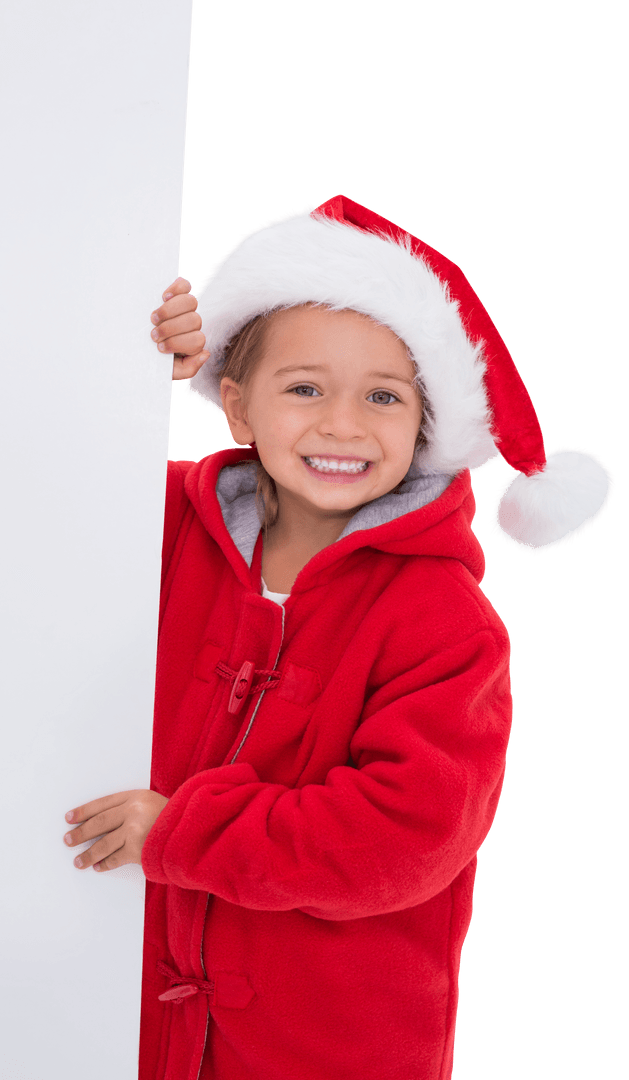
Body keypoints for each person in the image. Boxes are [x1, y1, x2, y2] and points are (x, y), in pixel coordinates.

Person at [63, 194, 614, 1080]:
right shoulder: (161, 523)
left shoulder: (445, 621)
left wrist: (187, 833)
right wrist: (128, 360)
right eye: (304, 388)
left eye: (383, 397)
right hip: (126, 1018)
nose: (341, 425)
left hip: (328, 1045)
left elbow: (406, 835)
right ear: (237, 407)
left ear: (424, 427)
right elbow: (54, 477)